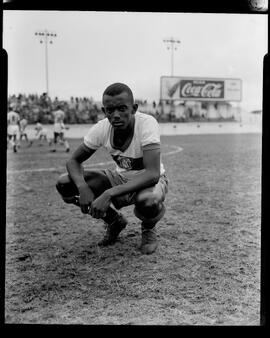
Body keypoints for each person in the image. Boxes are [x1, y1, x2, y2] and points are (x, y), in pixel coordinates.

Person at [56, 83, 169, 254]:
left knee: (149, 201)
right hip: (120, 178)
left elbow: (152, 174)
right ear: (105, 111)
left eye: (122, 109)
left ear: (134, 108)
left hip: (150, 182)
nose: (115, 115)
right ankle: (114, 221)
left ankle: (148, 228)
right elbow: (73, 161)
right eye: (110, 110)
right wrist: (82, 187)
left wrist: (108, 193)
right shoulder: (102, 127)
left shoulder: (147, 123)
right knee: (65, 183)